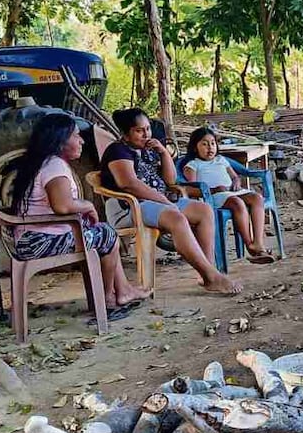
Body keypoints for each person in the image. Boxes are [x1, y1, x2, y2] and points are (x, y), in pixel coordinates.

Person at [9, 113, 151, 313]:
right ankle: (108, 298)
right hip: (38, 242)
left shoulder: (42, 162)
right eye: (76, 136)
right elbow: (62, 206)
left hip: (32, 239)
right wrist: (87, 206)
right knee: (108, 235)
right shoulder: (54, 165)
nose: (82, 140)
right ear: (60, 140)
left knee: (103, 232)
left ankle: (123, 290)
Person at [101, 108, 242, 294]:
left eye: (148, 129)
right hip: (130, 206)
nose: (146, 134)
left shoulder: (148, 150)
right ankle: (212, 276)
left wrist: (164, 154)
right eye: (139, 130)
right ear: (126, 134)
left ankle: (207, 273)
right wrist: (163, 200)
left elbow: (170, 181)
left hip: (158, 203)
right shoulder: (118, 150)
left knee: (204, 210)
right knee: (176, 218)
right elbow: (129, 184)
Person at [182, 127, 275, 264]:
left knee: (257, 198)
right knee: (237, 203)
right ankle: (249, 244)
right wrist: (214, 190)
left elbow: (234, 176)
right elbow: (192, 189)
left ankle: (258, 243)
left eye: (213, 143)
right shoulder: (193, 165)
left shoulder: (221, 160)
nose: (210, 147)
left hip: (232, 191)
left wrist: (236, 181)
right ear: (195, 147)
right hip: (214, 197)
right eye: (204, 144)